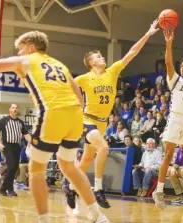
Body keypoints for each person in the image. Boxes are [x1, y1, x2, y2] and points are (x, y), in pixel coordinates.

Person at [0, 31, 109, 223]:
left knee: (36, 171)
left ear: (31, 47)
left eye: (20, 48)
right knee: (69, 166)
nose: (19, 52)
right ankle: (96, 215)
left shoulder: (26, 60)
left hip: (53, 113)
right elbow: (79, 96)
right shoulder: (60, 65)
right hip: (75, 116)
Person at [67, 20, 159, 209]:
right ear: (92, 62)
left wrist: (148, 33)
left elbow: (132, 52)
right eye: (99, 56)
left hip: (102, 122)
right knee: (104, 148)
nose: (103, 57)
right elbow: (66, 87)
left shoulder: (113, 71)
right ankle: (98, 189)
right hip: (87, 120)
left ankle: (69, 186)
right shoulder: (84, 78)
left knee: (85, 160)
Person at [152, 29, 183, 212]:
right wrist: (169, 43)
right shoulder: (174, 80)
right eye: (182, 66)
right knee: (167, 155)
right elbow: (167, 62)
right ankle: (158, 191)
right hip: (174, 118)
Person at [0, 104, 31, 196]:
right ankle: (5, 189)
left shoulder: (21, 122)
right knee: (12, 166)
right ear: (9, 109)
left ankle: (9, 189)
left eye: (16, 108)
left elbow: (26, 134)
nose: (15, 109)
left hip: (17, 146)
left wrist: (30, 141)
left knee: (13, 168)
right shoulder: (4, 120)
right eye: (13, 108)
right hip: (7, 146)